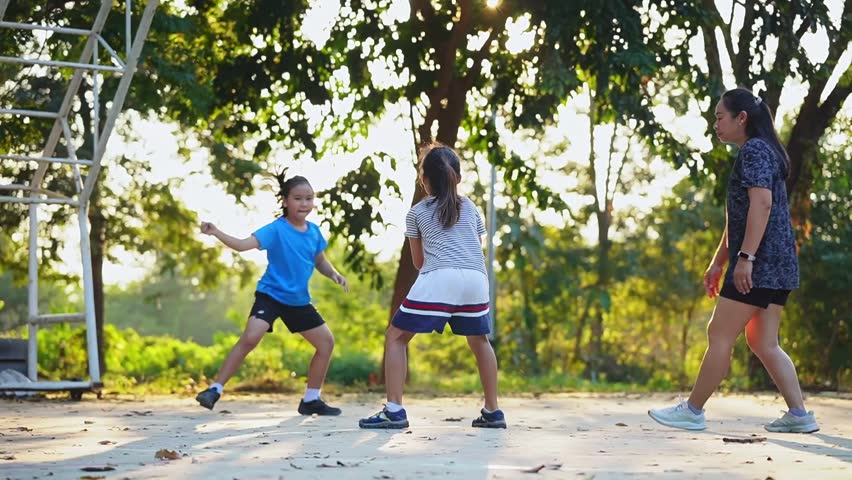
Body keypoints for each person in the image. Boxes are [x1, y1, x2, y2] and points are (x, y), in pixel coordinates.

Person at [648, 88, 819, 433]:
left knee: (719, 332)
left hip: (761, 262)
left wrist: (746, 259)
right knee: (764, 342)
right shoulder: (763, 150)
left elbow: (762, 206)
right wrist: (718, 262)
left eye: (719, 117)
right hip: (778, 262)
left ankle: (693, 410)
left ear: (742, 118)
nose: (715, 124)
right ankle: (799, 416)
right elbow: (738, 218)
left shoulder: (754, 151)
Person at [359, 143, 505, 429]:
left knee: (396, 337)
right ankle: (493, 411)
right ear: (457, 178)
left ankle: (394, 410)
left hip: (440, 275)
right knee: (480, 341)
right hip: (477, 277)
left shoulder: (417, 213)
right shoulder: (472, 207)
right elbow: (475, 249)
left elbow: (418, 262)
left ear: (424, 180)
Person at [195, 173, 348, 416]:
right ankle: (215, 389)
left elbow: (319, 260)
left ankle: (311, 399)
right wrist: (216, 232)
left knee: (326, 342)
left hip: (298, 301)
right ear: (285, 201)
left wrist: (335, 274)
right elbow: (243, 245)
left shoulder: (314, 232)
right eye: (298, 198)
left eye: (309, 198)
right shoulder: (276, 230)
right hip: (272, 295)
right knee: (251, 337)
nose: (304, 204)